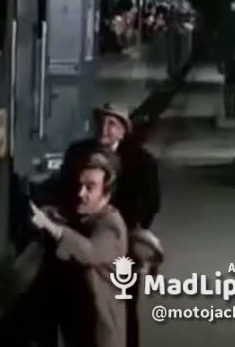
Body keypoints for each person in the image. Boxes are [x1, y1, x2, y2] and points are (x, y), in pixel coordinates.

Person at [56, 103, 161, 347]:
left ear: (123, 131)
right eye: (101, 122)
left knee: (121, 312)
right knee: (79, 311)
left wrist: (129, 230)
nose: (104, 128)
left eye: (112, 124)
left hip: (120, 250)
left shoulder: (142, 161)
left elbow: (151, 202)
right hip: (81, 244)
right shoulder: (77, 153)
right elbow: (63, 189)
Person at [30, 151, 127, 347]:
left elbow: (89, 252)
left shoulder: (112, 225)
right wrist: (55, 219)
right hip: (84, 326)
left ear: (106, 193)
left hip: (100, 331)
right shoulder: (93, 218)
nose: (80, 193)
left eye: (90, 187)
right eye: (80, 186)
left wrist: (51, 226)